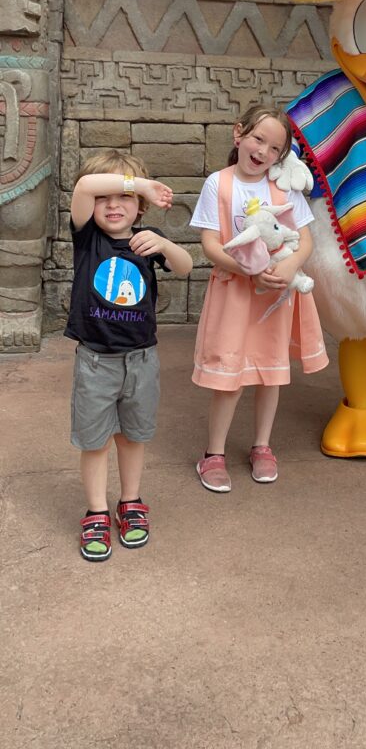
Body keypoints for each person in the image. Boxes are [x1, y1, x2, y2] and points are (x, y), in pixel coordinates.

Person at [190, 104, 328, 493]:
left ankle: (262, 446)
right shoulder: (218, 184)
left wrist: (289, 267)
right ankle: (213, 454)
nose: (263, 151)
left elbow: (304, 240)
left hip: (275, 297)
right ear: (239, 135)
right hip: (234, 293)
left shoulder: (281, 188)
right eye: (258, 139)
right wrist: (243, 268)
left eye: (274, 149)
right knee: (229, 376)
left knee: (271, 371)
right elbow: (210, 244)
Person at [65, 150, 193, 562]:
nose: (113, 204)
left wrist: (166, 244)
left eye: (124, 199)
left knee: (133, 436)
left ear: (140, 210)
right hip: (96, 361)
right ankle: (97, 511)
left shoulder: (146, 240)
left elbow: (187, 266)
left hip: (140, 361)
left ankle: (131, 501)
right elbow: (85, 187)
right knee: (95, 441)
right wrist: (137, 185)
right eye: (107, 197)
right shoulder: (87, 237)